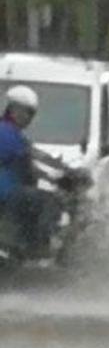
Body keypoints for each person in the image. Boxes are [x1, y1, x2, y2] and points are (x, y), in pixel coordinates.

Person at [0, 85, 61, 258]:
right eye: (27, 112)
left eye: (32, 114)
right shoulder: (7, 132)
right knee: (50, 201)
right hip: (7, 193)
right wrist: (58, 175)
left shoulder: (11, 133)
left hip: (9, 192)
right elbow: (33, 159)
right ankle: (38, 248)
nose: (29, 118)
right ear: (13, 110)